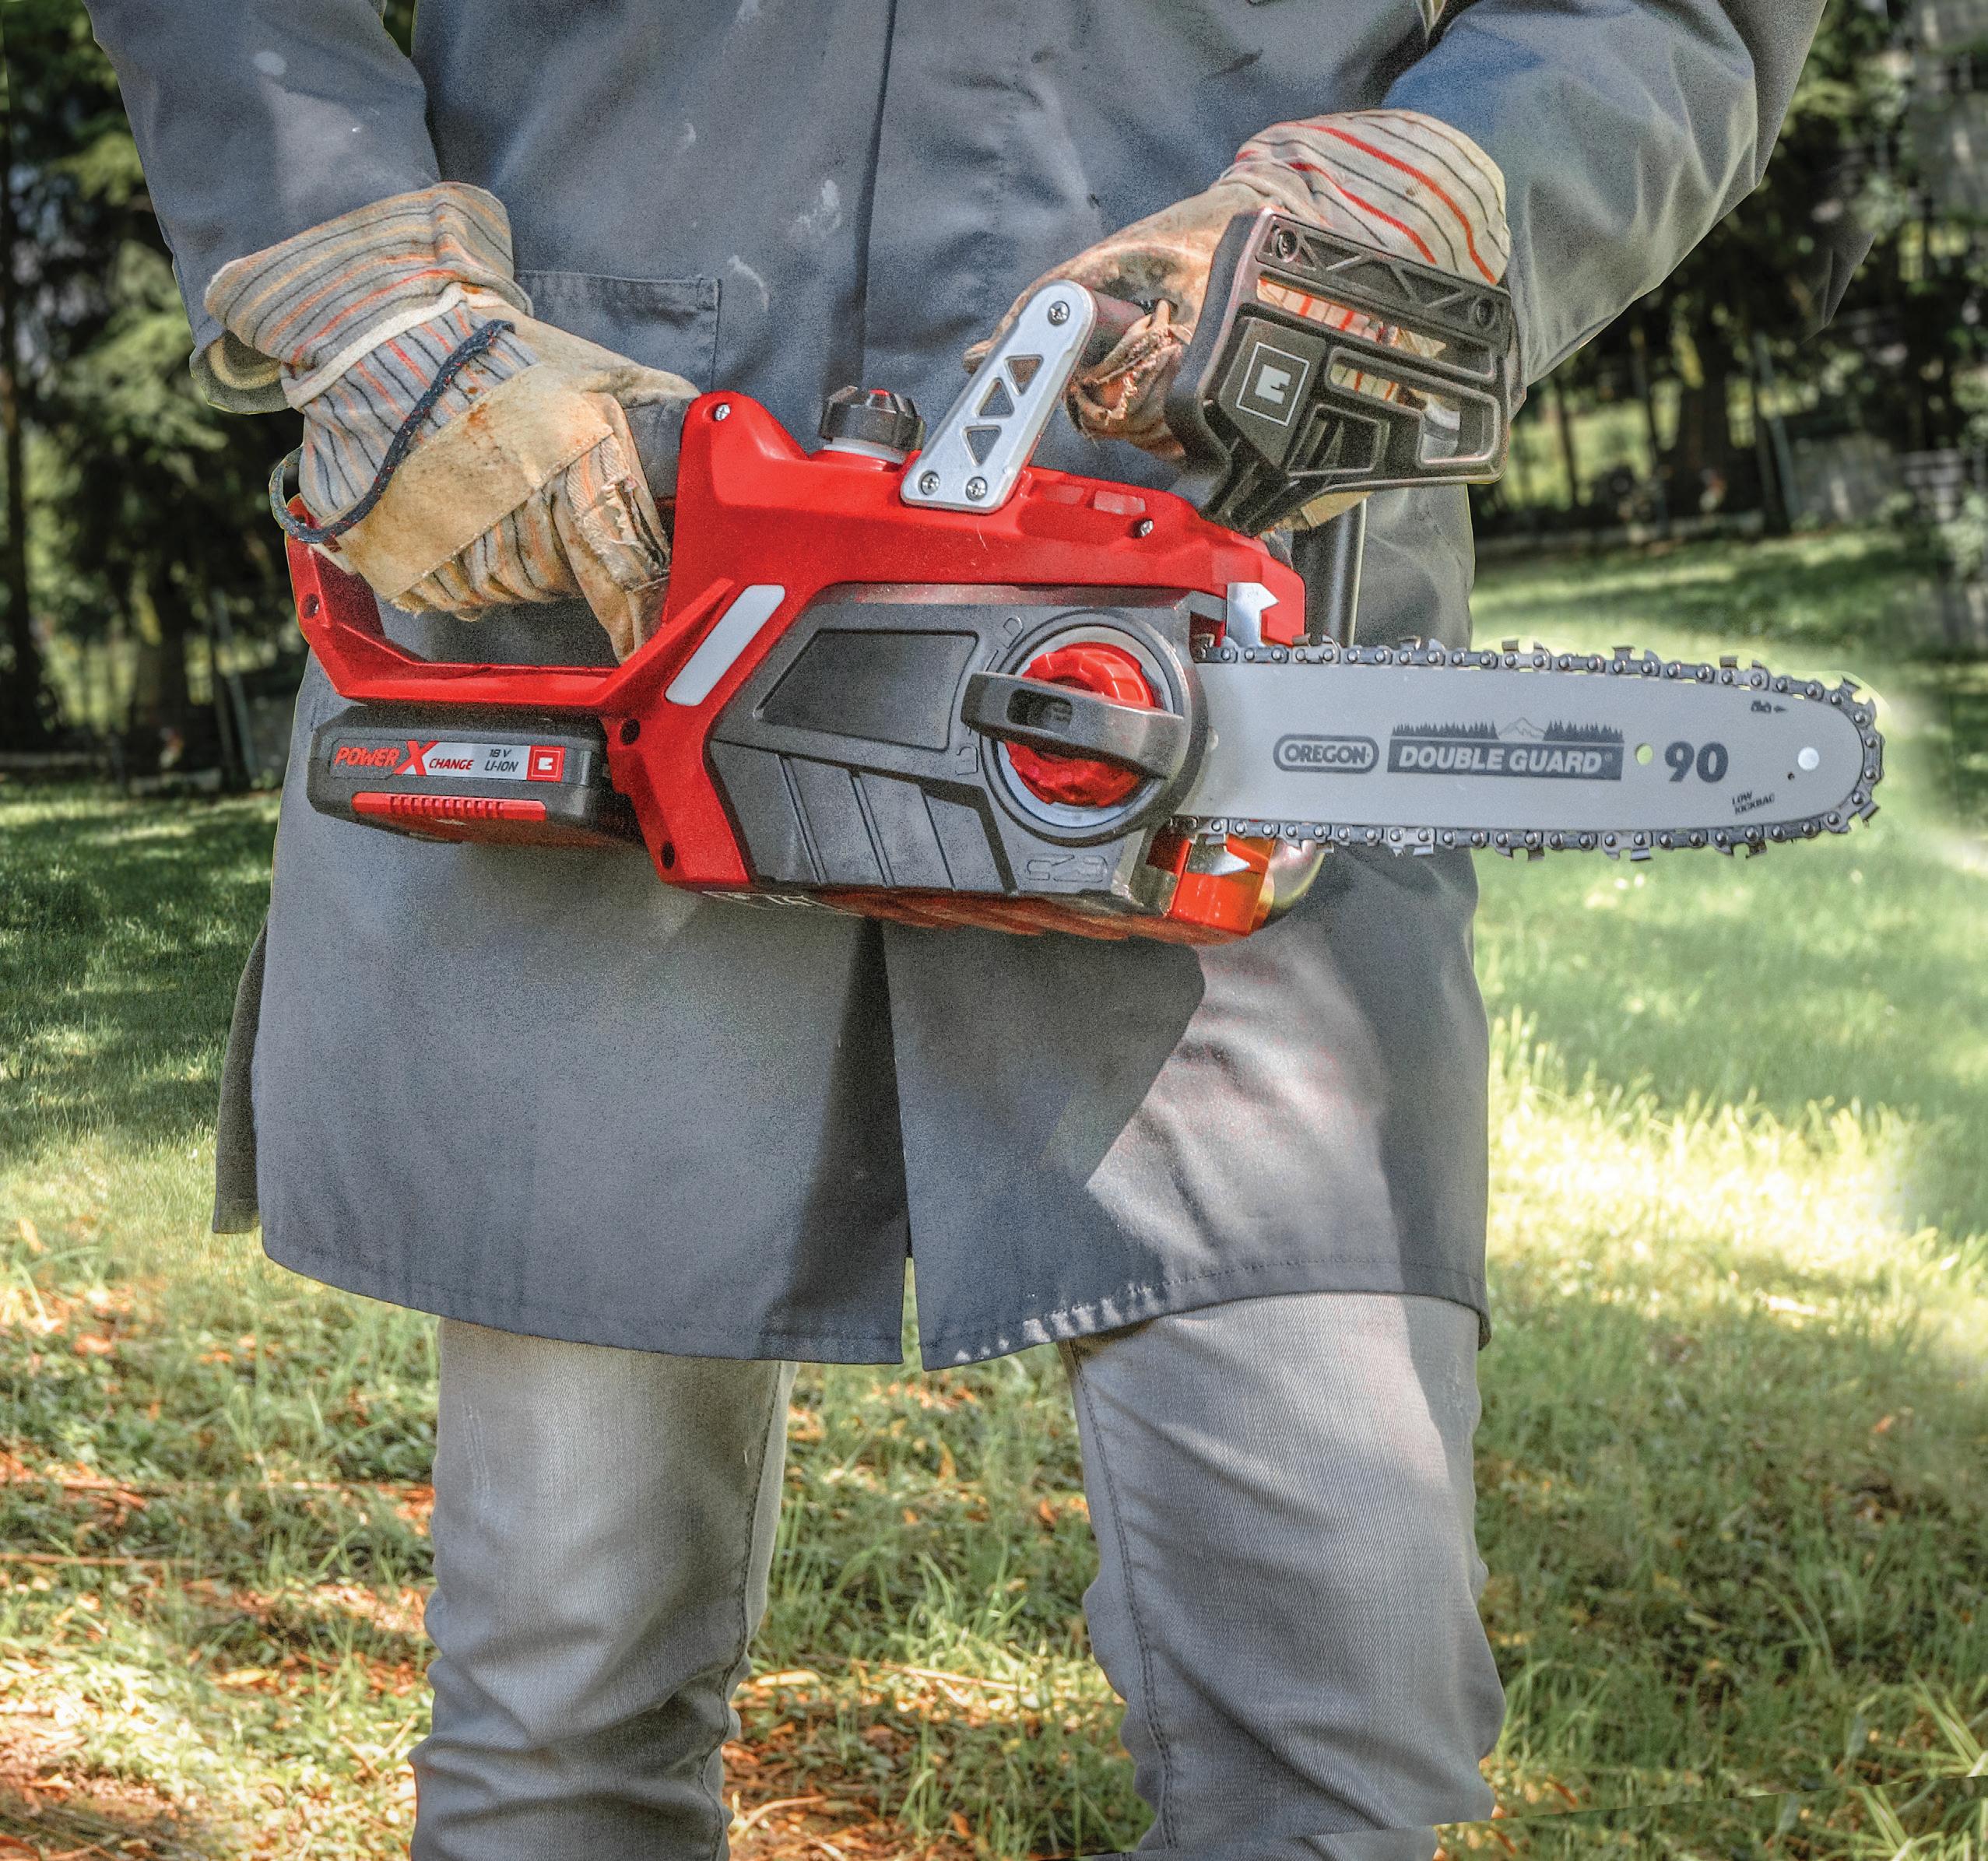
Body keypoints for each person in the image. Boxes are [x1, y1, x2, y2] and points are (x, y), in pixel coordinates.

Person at [84, 3, 1824, 1856]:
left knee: (1337, 1710)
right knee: (562, 1695)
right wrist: (371, 293)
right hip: (598, 551)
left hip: (1213, 635)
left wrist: (1425, 189)